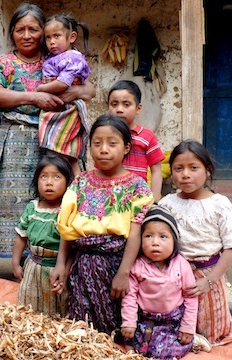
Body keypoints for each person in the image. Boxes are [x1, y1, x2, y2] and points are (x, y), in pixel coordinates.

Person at [0, 3, 95, 258]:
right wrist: (34, 97)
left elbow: (89, 90)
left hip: (52, 140)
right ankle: (13, 259)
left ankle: (52, 254)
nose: (26, 35)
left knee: (54, 196)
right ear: (11, 32)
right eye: (20, 29)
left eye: (33, 29)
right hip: (13, 141)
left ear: (44, 33)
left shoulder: (58, 59)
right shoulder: (4, 63)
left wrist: (74, 91)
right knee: (11, 203)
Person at [50, 114, 153, 335]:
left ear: (126, 148)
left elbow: (135, 234)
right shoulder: (81, 182)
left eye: (112, 143)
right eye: (97, 143)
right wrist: (61, 264)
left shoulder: (137, 186)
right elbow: (66, 228)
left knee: (115, 327)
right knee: (82, 327)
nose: (103, 149)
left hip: (115, 264)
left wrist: (124, 272)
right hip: (83, 264)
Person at [159, 139, 232, 346]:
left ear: (208, 170)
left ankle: (225, 311)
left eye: (193, 168)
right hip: (174, 274)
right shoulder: (167, 203)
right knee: (175, 330)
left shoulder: (219, 205)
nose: (185, 174)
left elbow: (231, 247)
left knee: (209, 333)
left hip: (207, 275)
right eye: (178, 168)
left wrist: (210, 281)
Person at [121, 205, 211, 358]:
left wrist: (187, 328)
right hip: (146, 320)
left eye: (163, 237)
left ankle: (193, 340)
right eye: (148, 236)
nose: (155, 242)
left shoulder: (181, 265)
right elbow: (130, 297)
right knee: (132, 345)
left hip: (171, 322)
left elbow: (190, 297)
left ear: (174, 241)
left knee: (162, 352)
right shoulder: (138, 265)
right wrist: (129, 322)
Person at [11, 154, 74, 316]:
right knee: (29, 304)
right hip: (33, 266)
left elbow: (73, 248)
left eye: (57, 177)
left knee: (56, 308)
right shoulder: (32, 208)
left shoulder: (68, 211)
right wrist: (16, 262)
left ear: (68, 183)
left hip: (56, 268)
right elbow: (21, 237)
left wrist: (65, 271)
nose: (49, 182)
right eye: (43, 176)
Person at [36, 13, 91, 176]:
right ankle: (75, 187)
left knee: (62, 151)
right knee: (66, 151)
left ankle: (75, 186)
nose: (52, 42)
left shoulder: (72, 58)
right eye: (47, 38)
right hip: (59, 110)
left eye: (57, 36)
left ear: (72, 37)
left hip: (68, 110)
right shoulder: (54, 57)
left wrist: (41, 89)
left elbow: (63, 83)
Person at [108, 80, 165, 201]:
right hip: (110, 199)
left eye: (126, 104)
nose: (119, 109)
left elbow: (156, 171)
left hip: (138, 198)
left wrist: (153, 200)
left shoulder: (147, 136)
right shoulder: (105, 136)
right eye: (114, 104)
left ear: (138, 108)